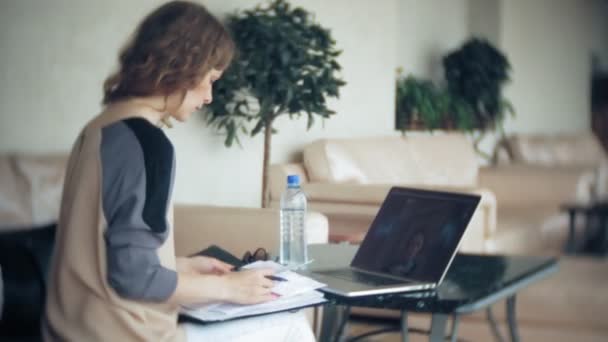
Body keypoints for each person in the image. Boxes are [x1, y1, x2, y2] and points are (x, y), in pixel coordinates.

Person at [42, 2, 315, 341]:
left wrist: (181, 266)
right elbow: (134, 277)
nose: (210, 97)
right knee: (293, 326)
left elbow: (110, 256)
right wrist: (228, 288)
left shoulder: (100, 129)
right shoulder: (146, 143)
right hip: (126, 334)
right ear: (183, 67)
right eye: (211, 80)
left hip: (71, 329)